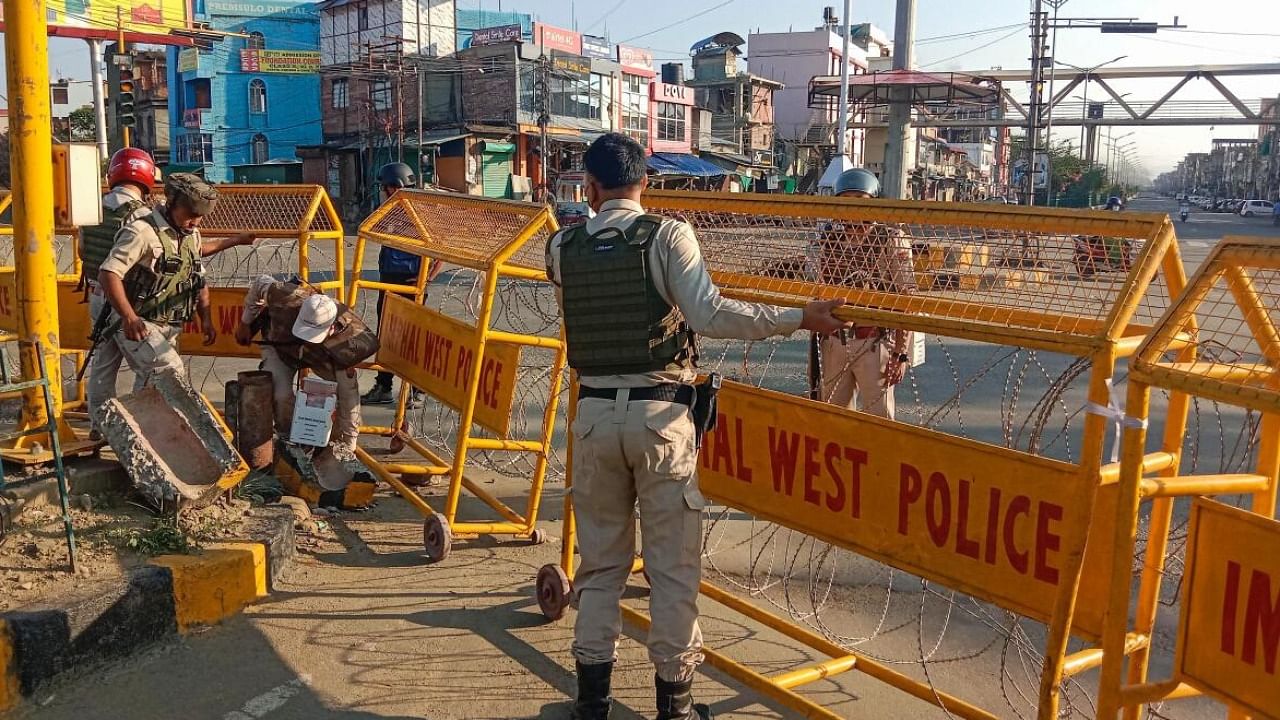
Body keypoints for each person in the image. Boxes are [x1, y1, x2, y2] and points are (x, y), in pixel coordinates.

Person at [545, 133, 849, 720]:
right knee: (671, 570)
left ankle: (591, 701)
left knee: (601, 566)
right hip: (661, 418)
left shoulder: (562, 247)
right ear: (646, 183)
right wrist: (797, 318)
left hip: (592, 419)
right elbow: (708, 314)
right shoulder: (665, 236)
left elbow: (579, 275)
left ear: (590, 186)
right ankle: (675, 705)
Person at [87, 170, 254, 428]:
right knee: (167, 367)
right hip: (133, 318)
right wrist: (129, 318)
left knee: (148, 376)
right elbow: (108, 273)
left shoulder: (189, 234)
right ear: (173, 203)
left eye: (199, 217)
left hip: (164, 319)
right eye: (191, 215)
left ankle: (137, 430)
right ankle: (106, 426)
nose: (196, 222)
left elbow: (196, 276)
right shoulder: (141, 231)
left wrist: (206, 319)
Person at [234, 276, 377, 462]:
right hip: (280, 346)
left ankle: (339, 445)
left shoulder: (351, 343)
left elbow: (350, 402)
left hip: (323, 356)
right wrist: (246, 322)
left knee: (345, 388)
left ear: (332, 328)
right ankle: (289, 440)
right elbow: (260, 283)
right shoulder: (286, 296)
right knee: (280, 395)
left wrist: (349, 447)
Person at [813, 168, 915, 419]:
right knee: (834, 419)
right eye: (846, 201)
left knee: (879, 421)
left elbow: (906, 299)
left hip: (873, 342)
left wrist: (901, 352)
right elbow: (816, 289)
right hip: (835, 341)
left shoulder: (891, 239)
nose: (853, 209)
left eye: (860, 201)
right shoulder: (828, 241)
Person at [360, 162, 442, 407]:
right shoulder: (388, 212)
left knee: (412, 339)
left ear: (403, 186)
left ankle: (417, 390)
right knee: (387, 336)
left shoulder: (420, 214)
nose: (388, 192)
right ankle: (384, 386)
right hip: (389, 281)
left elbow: (437, 250)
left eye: (392, 187)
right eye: (385, 188)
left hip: (412, 283)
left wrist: (427, 277)